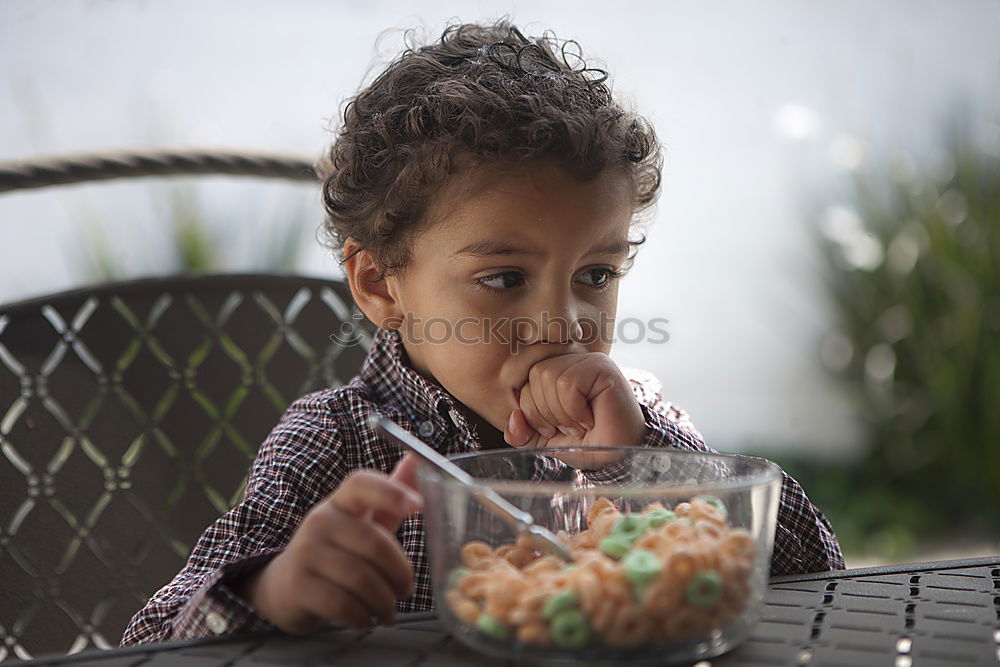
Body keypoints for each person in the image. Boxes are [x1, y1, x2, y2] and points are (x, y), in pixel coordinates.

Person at [121, 20, 843, 646]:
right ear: (380, 284)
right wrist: (273, 593)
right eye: (503, 279)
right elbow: (149, 640)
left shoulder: (635, 423)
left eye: (596, 274)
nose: (565, 323)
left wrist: (639, 463)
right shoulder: (337, 443)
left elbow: (821, 582)